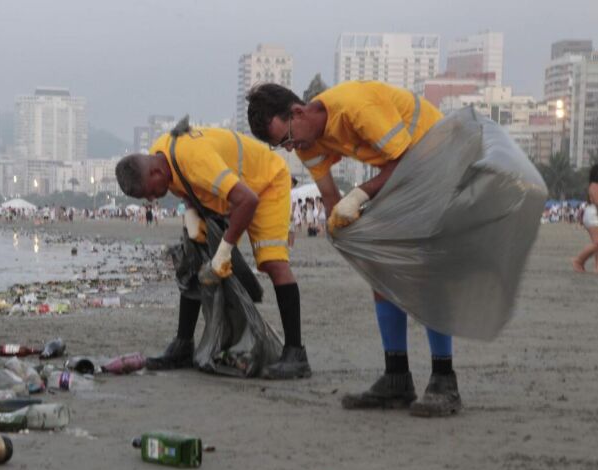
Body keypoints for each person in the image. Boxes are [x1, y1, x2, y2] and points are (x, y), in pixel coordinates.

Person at [247, 80, 460, 416]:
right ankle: (396, 377)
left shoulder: (356, 107)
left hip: (440, 159)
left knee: (423, 270)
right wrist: (346, 235)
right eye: (280, 146)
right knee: (379, 270)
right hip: (404, 171)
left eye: (286, 138)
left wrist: (359, 195)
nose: (290, 148)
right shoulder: (306, 140)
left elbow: (406, 163)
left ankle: (445, 380)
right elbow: (331, 199)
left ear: (298, 111)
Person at [115, 121, 310, 379]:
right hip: (227, 193)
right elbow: (186, 185)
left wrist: (224, 252)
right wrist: (192, 213)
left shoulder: (196, 160)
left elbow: (247, 200)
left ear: (154, 174)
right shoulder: (159, 154)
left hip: (265, 183)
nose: (151, 200)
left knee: (273, 262)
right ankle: (183, 344)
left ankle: (295, 354)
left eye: (149, 194)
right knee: (191, 257)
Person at [572, 163, 598, 272]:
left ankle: (597, 267)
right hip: (593, 215)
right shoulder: (594, 185)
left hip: (593, 214)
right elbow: (597, 201)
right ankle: (579, 261)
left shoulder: (593, 185)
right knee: (597, 243)